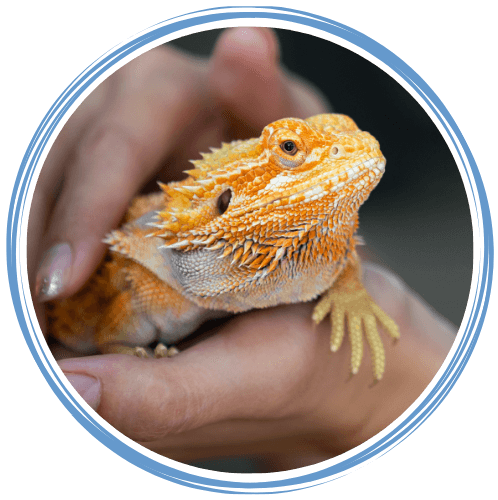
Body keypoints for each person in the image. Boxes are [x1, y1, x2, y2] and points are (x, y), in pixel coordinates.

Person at [27, 27, 456, 472]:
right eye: (292, 149)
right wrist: (121, 349)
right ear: (226, 201)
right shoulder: (156, 287)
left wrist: (354, 297)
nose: (359, 148)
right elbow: (114, 331)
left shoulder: (324, 250)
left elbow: (339, 256)